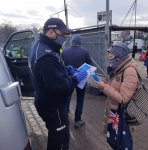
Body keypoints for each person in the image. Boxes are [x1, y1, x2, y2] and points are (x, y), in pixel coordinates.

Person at [29, 18, 87, 150]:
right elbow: (60, 87)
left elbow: (49, 73)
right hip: (53, 106)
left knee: (55, 135)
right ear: (50, 32)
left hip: (44, 100)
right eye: (62, 34)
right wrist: (75, 78)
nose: (64, 37)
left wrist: (66, 69)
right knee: (60, 140)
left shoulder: (39, 46)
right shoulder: (46, 56)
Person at [95, 43, 138, 147]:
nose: (108, 56)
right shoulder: (118, 67)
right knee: (115, 140)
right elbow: (115, 85)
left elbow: (123, 98)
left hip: (121, 113)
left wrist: (104, 87)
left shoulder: (129, 70)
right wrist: (104, 82)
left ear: (119, 55)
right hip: (114, 109)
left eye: (111, 54)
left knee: (121, 141)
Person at [61, 34, 93, 128]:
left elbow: (61, 66)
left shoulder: (64, 52)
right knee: (80, 99)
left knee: (67, 97)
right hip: (81, 80)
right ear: (80, 43)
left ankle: (65, 114)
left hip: (68, 79)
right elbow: (90, 66)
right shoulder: (85, 52)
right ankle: (78, 120)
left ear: (72, 42)